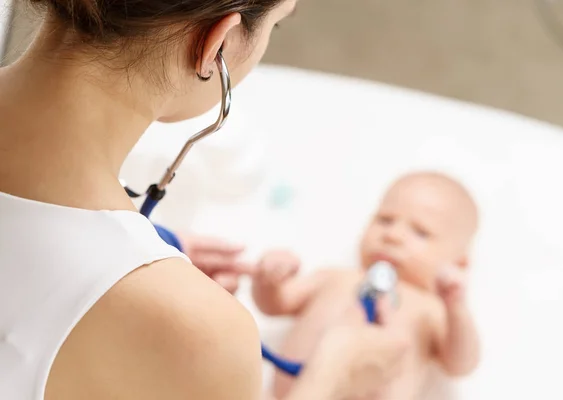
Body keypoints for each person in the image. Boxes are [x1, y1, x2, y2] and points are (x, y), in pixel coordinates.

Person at [0, 0, 408, 398]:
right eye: (276, 24)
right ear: (217, 44)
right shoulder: (205, 334)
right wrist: (333, 379)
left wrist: (145, 260)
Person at [253, 171, 482, 399]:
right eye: (385, 220)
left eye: (421, 232)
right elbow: (275, 305)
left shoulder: (430, 308)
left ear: (458, 262)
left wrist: (457, 309)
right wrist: (269, 281)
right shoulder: (334, 277)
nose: (393, 235)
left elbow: (460, 365)